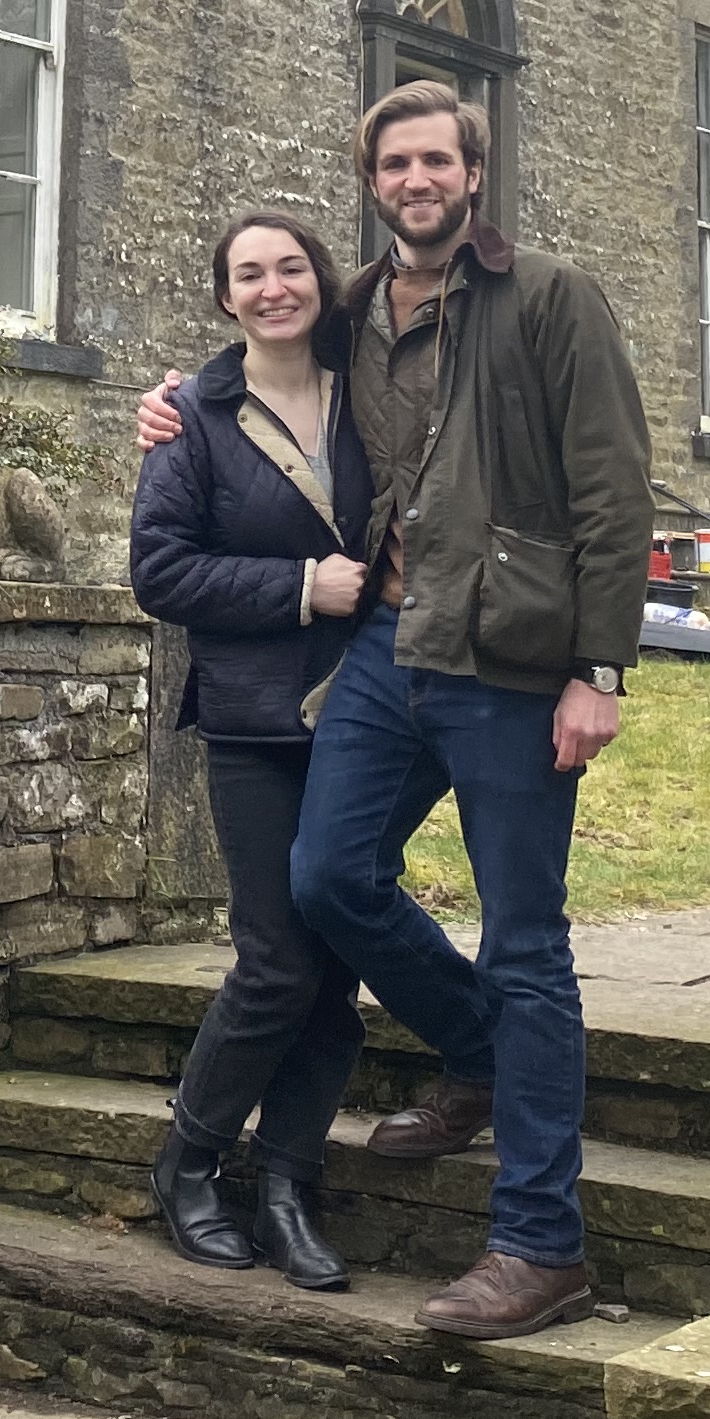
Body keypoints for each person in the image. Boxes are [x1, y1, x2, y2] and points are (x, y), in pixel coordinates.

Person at [136, 83, 652, 1339]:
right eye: (393, 165)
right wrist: (169, 403)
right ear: (371, 183)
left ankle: (542, 1244)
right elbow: (258, 355)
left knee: (527, 942)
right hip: (386, 651)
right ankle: (480, 1049)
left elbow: (612, 489)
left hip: (516, 666)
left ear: (474, 171)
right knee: (328, 881)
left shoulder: (551, 297)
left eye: (436, 160)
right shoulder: (359, 303)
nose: (415, 181)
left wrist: (602, 670)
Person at [125, 210, 375, 1289]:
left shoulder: (373, 397)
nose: (274, 288)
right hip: (253, 720)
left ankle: (287, 1185)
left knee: (336, 967)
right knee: (277, 959)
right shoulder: (192, 414)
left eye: (291, 268)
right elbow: (159, 572)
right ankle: (187, 1162)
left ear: (320, 281)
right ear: (224, 298)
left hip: (367, 719)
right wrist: (294, 588)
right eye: (249, 275)